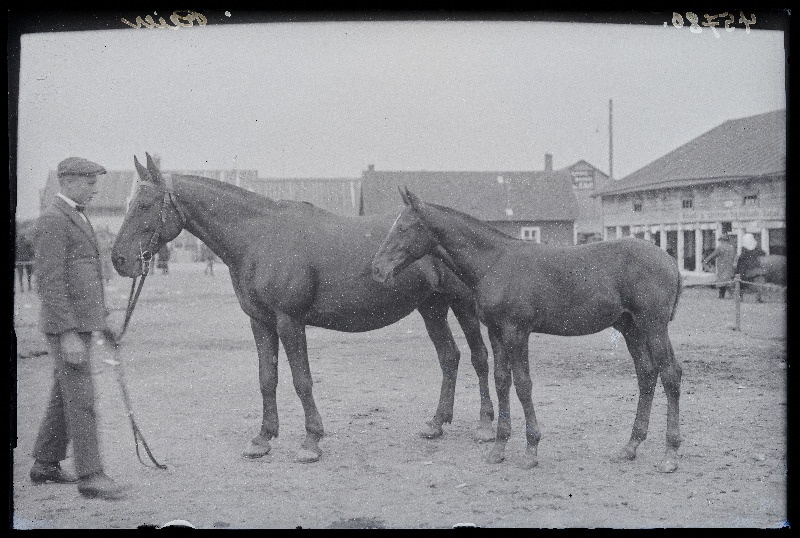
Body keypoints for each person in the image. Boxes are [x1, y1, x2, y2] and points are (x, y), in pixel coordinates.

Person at [30, 157, 129, 500]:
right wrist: (68, 333)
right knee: (82, 399)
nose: (95, 188)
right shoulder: (53, 219)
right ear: (68, 182)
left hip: (83, 323)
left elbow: (86, 278)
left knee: (64, 395)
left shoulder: (76, 215)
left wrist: (103, 323)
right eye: (89, 182)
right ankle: (91, 476)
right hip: (66, 328)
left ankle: (44, 464)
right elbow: (50, 283)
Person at [702, 233, 736, 299]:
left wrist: (705, 262)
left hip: (722, 268)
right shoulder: (732, 248)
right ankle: (732, 296)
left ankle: (722, 296)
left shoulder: (720, 248)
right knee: (728, 283)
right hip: (730, 268)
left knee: (722, 283)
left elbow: (711, 256)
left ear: (722, 240)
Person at [736, 232, 766, 303]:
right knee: (759, 284)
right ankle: (759, 298)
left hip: (746, 271)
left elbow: (740, 263)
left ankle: (740, 297)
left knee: (740, 283)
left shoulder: (743, 252)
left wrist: (738, 271)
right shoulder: (759, 251)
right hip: (758, 270)